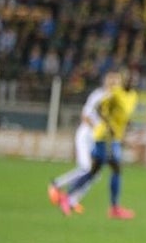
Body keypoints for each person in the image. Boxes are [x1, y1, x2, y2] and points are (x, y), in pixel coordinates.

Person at [56, 69, 139, 219]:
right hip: (104, 136)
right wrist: (109, 126)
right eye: (129, 78)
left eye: (134, 79)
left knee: (93, 172)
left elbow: (124, 117)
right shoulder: (115, 93)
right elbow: (100, 109)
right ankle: (114, 208)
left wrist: (125, 134)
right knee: (115, 168)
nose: (132, 81)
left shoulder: (133, 96)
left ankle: (67, 197)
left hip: (113, 137)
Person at [48, 70, 119, 214]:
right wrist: (97, 129)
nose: (113, 83)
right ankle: (55, 184)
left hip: (98, 139)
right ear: (106, 81)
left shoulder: (116, 100)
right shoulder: (98, 95)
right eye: (111, 80)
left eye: (116, 81)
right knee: (86, 168)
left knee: (95, 174)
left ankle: (72, 200)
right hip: (86, 135)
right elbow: (85, 116)